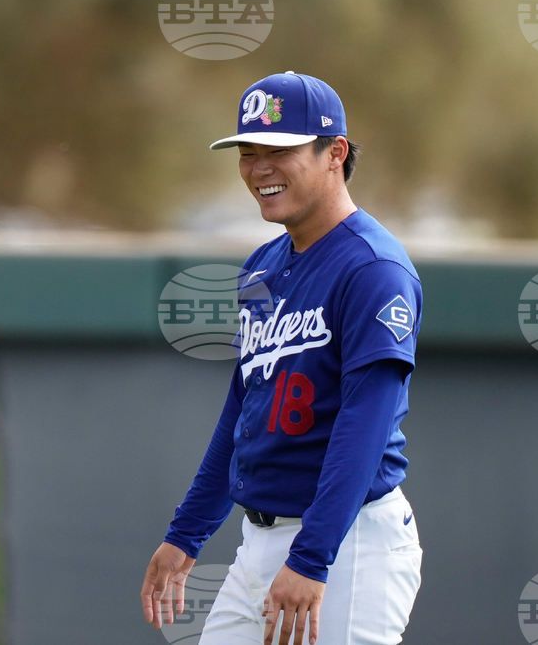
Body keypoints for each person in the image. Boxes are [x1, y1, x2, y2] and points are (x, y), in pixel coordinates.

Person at [141, 71, 423, 645]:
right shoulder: (262, 267)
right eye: (248, 152)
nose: (259, 169)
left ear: (334, 153)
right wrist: (187, 533)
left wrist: (312, 557)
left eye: (279, 151)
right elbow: (244, 411)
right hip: (261, 543)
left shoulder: (374, 268)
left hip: (347, 544)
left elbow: (365, 424)